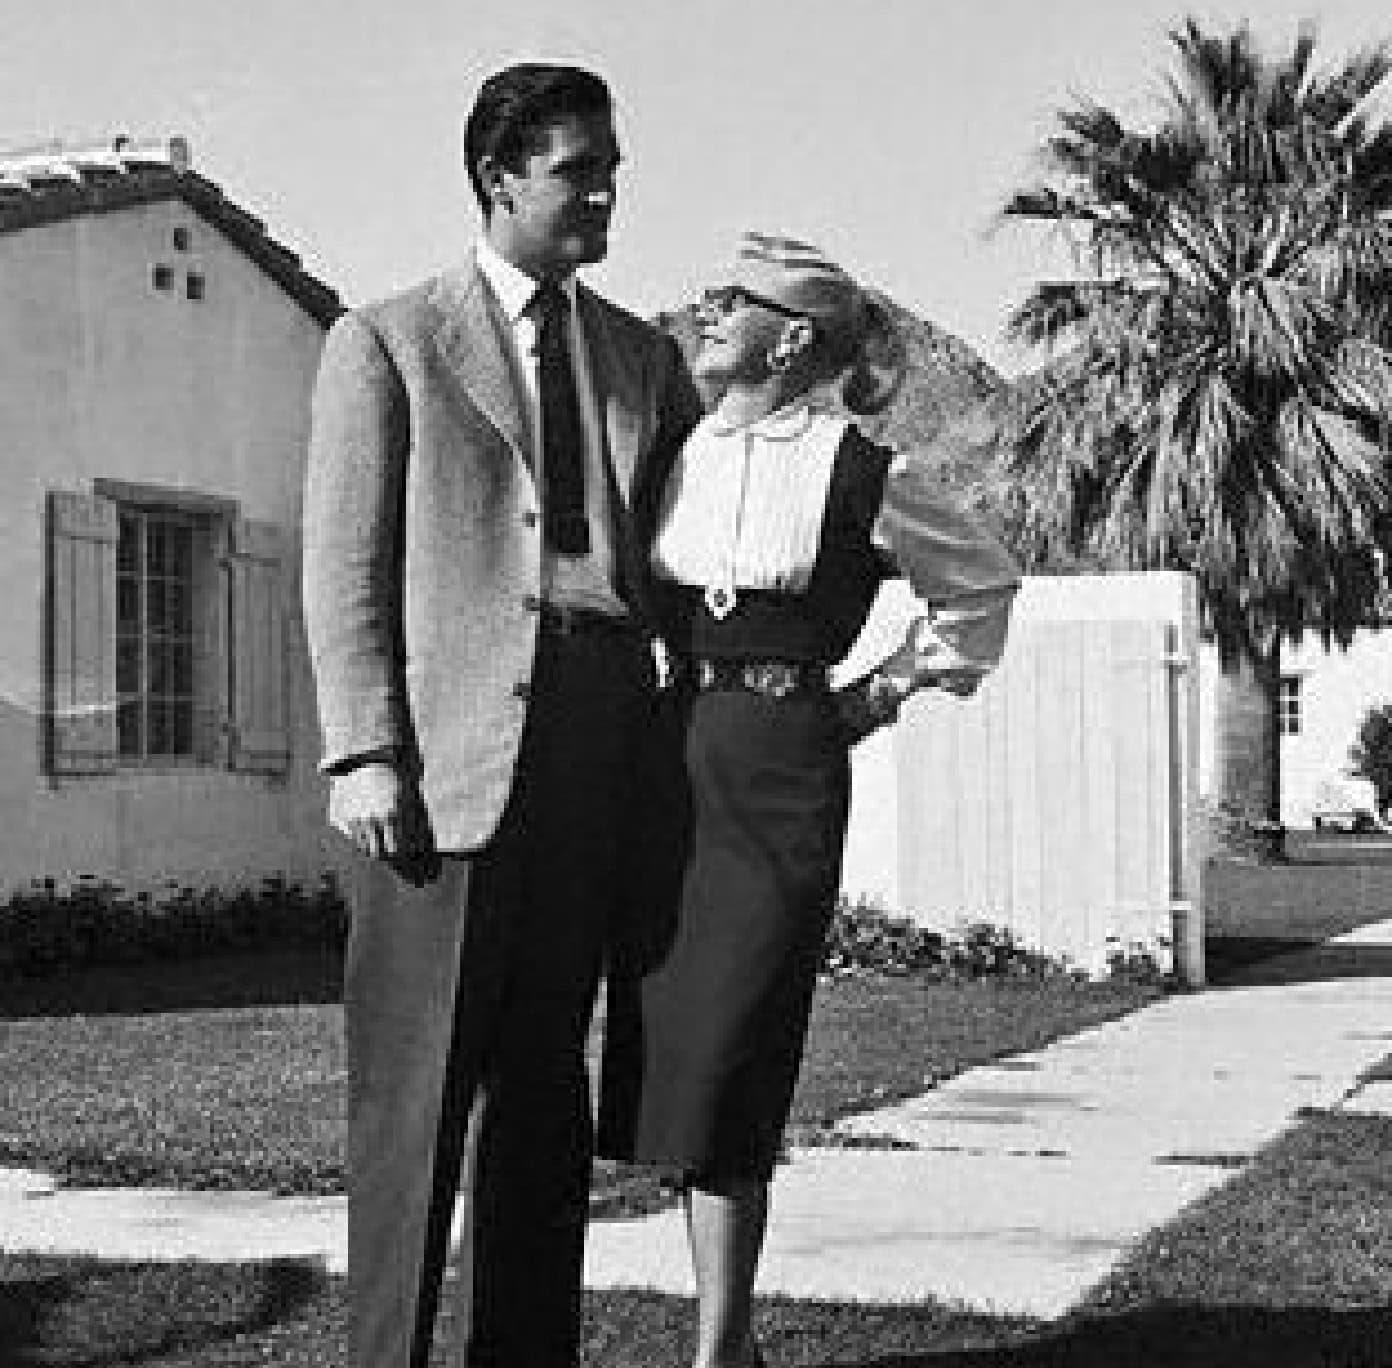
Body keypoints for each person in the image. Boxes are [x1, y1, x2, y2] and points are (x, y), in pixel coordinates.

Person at [302, 63, 701, 1368]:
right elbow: (343, 565)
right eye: (579, 170)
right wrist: (365, 748)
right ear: (499, 177)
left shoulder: (646, 358)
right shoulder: (390, 342)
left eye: (613, 171)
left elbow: (691, 552)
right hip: (442, 763)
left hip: (597, 744)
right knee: (412, 1108)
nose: (605, 195)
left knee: (544, 1097)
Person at [598, 233, 1021, 1368]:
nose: (706, 310)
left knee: (738, 1044)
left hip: (783, 771)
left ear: (792, 339)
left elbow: (982, 584)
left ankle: (718, 1347)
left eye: (732, 300)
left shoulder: (863, 470)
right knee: (680, 1053)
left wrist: (876, 695)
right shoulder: (668, 450)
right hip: (666, 761)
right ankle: (726, 1341)